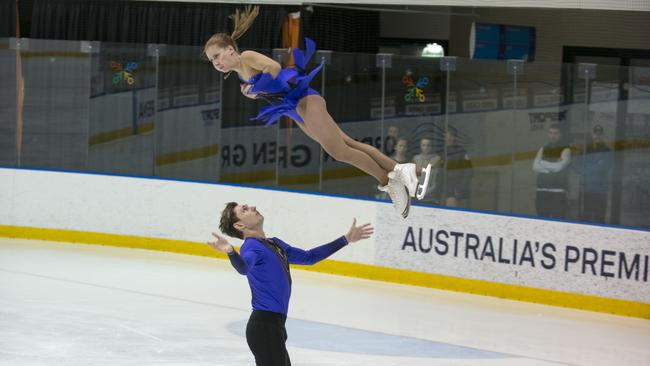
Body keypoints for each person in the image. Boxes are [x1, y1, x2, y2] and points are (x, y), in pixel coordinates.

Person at [203, 6, 429, 218]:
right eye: (212, 60)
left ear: (230, 50)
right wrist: (253, 90)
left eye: (217, 56)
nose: (216, 62)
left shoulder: (247, 57)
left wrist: (256, 87)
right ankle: (406, 170)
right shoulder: (241, 76)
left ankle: (389, 181)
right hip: (295, 111)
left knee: (339, 151)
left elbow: (275, 68)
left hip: (305, 101)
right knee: (349, 144)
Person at [207, 202, 373, 366]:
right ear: (239, 225)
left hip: (274, 326)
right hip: (264, 326)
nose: (253, 207)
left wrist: (345, 239)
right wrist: (230, 251)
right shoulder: (251, 247)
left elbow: (309, 257)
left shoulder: (275, 244)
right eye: (245, 210)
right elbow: (243, 268)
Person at [532, 123, 572, 219]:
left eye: (556, 133)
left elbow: (559, 167)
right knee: (541, 221)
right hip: (541, 191)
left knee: (557, 221)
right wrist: (551, 167)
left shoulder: (566, 150)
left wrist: (542, 163)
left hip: (558, 192)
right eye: (550, 133)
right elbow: (535, 167)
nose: (553, 136)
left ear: (560, 135)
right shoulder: (543, 148)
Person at [579, 125, 612, 223]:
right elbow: (577, 167)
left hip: (601, 190)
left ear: (603, 135)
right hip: (586, 189)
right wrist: (595, 165)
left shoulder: (607, 150)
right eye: (595, 133)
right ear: (592, 134)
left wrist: (588, 166)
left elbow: (603, 168)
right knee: (586, 217)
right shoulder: (585, 150)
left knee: (599, 217)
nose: (597, 136)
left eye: (599, 134)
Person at [434, 127, 473, 207]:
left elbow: (468, 172)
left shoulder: (461, 152)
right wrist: (437, 191)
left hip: (455, 192)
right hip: (442, 191)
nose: (449, 139)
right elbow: (439, 173)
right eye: (446, 136)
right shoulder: (442, 152)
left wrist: (459, 191)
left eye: (451, 136)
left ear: (455, 137)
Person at [412, 137, 440, 203]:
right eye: (423, 145)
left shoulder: (437, 159)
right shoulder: (415, 159)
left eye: (428, 145)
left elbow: (437, 179)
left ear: (431, 146)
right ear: (420, 146)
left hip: (431, 197)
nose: (426, 147)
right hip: (417, 196)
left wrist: (426, 192)